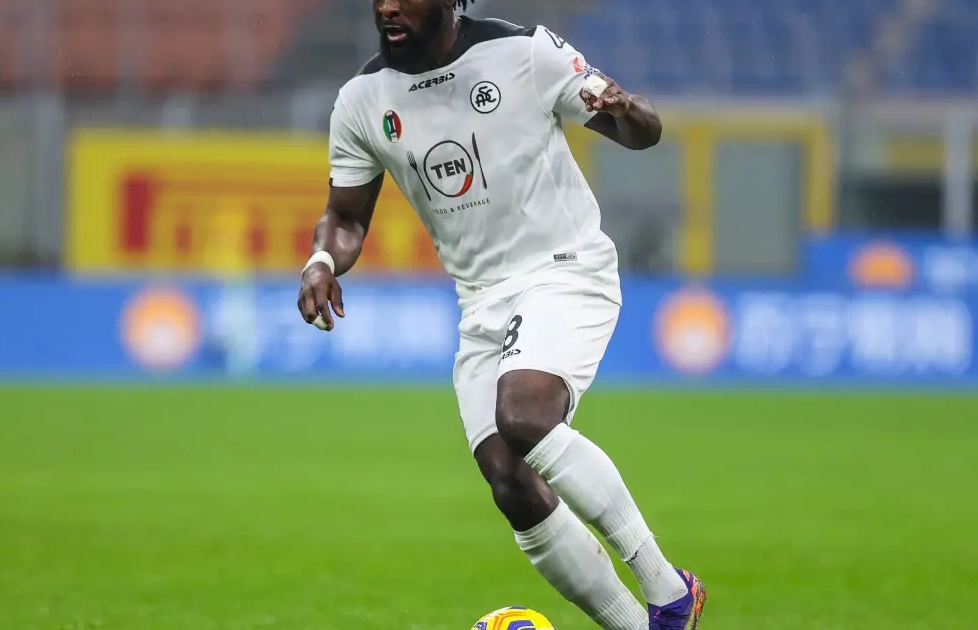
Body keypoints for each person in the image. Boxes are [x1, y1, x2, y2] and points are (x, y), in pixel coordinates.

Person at [296, 1, 703, 628]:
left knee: (524, 415)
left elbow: (640, 130)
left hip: (565, 268)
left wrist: (627, 108)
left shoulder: (525, 54)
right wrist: (322, 260)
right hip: (481, 300)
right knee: (508, 479)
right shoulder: (362, 100)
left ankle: (668, 589)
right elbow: (346, 217)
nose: (387, 6)